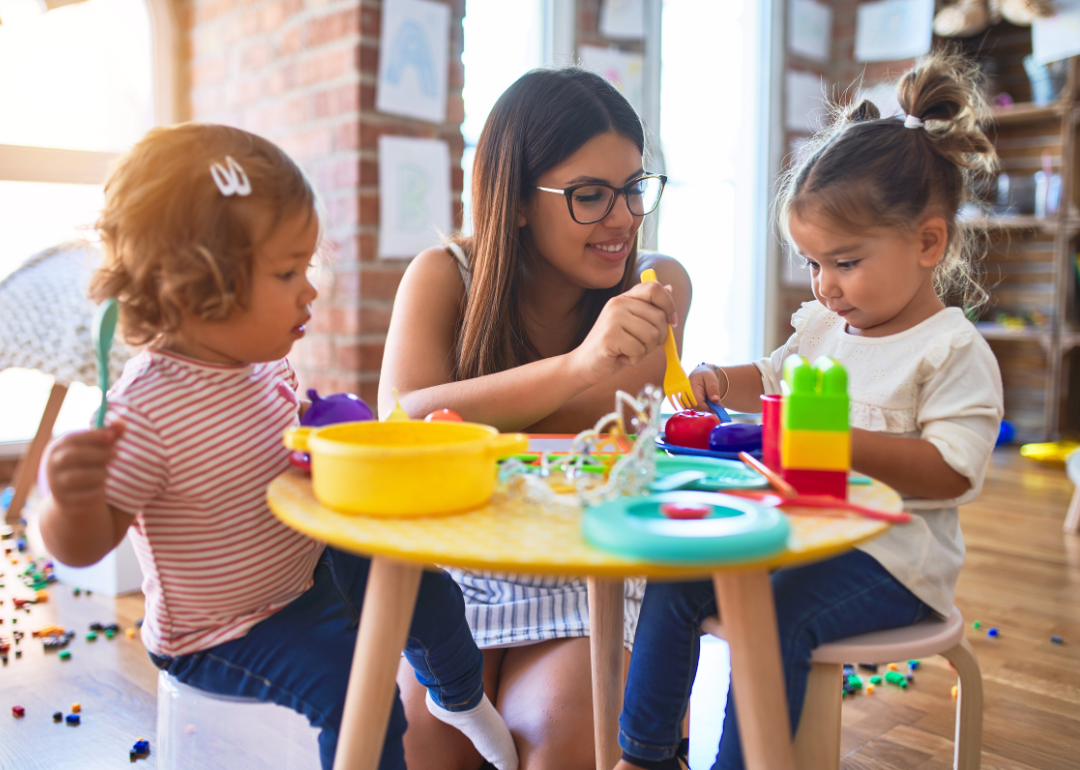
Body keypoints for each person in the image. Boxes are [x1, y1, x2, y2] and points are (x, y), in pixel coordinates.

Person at [38, 123, 518, 770]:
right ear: (192, 290)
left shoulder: (259, 362)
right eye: (288, 271)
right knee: (359, 691)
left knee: (428, 588)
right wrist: (68, 504)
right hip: (223, 631)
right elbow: (85, 543)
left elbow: (284, 457)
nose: (310, 288)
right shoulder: (146, 411)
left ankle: (459, 699)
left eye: (307, 265)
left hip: (307, 569)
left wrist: (331, 440)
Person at [614, 52, 1004, 770]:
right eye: (814, 264)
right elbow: (771, 376)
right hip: (796, 532)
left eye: (845, 262)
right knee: (674, 578)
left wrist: (832, 443)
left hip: (893, 563)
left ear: (928, 242)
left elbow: (954, 473)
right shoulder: (827, 327)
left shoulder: (949, 350)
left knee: (777, 620)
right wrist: (713, 380)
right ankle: (644, 755)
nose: (825, 286)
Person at [379, 67, 691, 769]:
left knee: (557, 736)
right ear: (516, 201)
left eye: (634, 188)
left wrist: (478, 408)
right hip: (455, 576)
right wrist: (581, 363)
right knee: (414, 740)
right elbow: (401, 423)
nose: (623, 218)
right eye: (590, 196)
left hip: (594, 575)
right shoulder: (441, 276)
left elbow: (610, 417)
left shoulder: (658, 286)